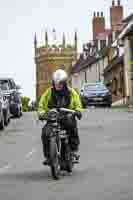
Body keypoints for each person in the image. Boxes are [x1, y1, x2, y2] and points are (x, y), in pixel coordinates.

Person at [38, 69, 83, 165]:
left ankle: (73, 150)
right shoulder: (48, 92)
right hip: (53, 118)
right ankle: (48, 156)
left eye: (60, 83)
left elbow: (78, 103)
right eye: (56, 83)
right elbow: (41, 104)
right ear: (53, 82)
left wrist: (78, 111)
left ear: (65, 83)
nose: (58, 85)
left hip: (67, 116)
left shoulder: (71, 92)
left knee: (72, 127)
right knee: (45, 133)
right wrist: (41, 113)